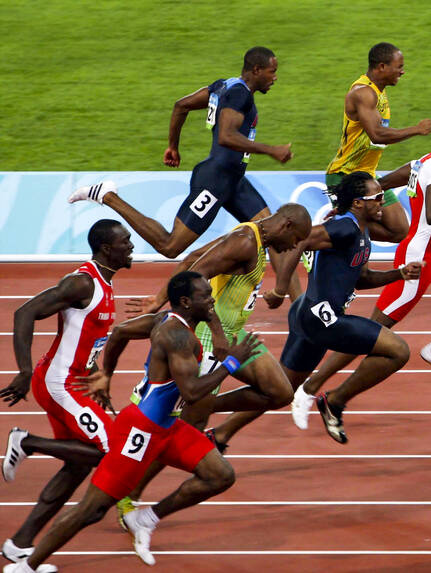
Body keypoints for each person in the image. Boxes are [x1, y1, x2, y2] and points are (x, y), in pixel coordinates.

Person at [7, 272, 260, 572]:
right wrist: (231, 363)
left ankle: (145, 519)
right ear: (185, 302)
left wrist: (107, 374)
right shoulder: (177, 337)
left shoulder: (166, 320)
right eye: (206, 296)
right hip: (141, 431)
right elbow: (192, 393)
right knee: (92, 509)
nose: (212, 301)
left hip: (167, 426)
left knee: (220, 475)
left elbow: (120, 333)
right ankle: (26, 566)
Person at [287, 119, 431, 430]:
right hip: (419, 260)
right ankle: (310, 390)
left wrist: (362, 196)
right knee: (370, 332)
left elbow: (396, 177)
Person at [107, 203, 310, 523]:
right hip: (209, 336)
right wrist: (215, 331)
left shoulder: (252, 236)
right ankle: (129, 496)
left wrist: (159, 298)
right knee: (185, 429)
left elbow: (193, 257)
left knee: (280, 392)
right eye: (296, 239)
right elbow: (196, 278)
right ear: (286, 226)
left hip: (234, 332)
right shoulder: (245, 242)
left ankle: (206, 405)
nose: (293, 247)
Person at [67, 46, 301, 298]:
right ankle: (107, 196)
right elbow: (226, 136)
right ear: (256, 70)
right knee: (170, 246)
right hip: (216, 181)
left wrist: (173, 146)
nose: (275, 77)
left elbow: (182, 105)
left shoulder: (223, 86)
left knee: (276, 233)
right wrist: (271, 150)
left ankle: (300, 307)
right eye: (272, 71)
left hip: (233, 180)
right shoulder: (239, 94)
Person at [0, 220, 132, 569]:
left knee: (77, 466)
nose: (132, 246)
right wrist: (24, 370)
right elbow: (24, 312)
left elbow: (86, 339)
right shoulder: (82, 282)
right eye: (125, 241)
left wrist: (96, 375)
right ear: (106, 249)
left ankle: (19, 545)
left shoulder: (105, 283)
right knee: (110, 451)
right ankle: (27, 442)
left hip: (73, 382)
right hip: (59, 384)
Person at [270, 172, 423, 443]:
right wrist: (281, 289)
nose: (383, 202)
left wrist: (399, 274)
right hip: (322, 319)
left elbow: (362, 279)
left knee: (277, 392)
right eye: (377, 197)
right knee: (398, 351)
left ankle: (219, 432)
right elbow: (301, 240)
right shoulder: (345, 228)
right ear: (358, 203)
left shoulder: (361, 231)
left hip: (313, 315)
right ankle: (336, 401)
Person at [325, 41, 431, 243]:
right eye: (399, 67)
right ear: (382, 66)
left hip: (368, 174)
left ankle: (342, 223)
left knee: (400, 230)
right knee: (352, 231)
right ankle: (330, 229)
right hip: (345, 174)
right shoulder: (363, 92)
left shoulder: (378, 92)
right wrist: (416, 129)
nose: (402, 71)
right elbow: (377, 134)